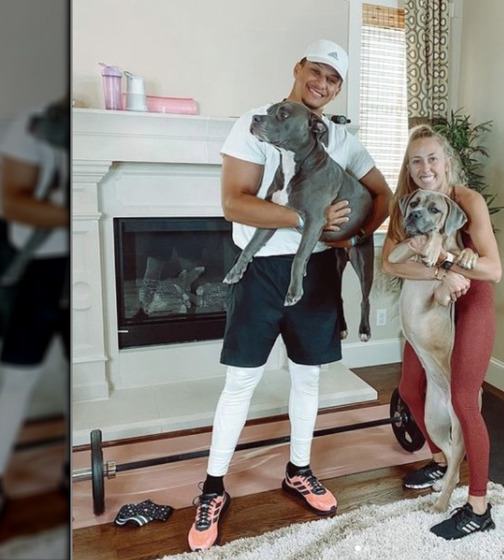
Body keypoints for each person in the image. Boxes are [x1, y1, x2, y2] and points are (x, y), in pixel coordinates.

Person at [186, 39, 392, 551]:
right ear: (298, 68)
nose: (322, 84)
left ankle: (299, 470)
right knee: (241, 382)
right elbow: (235, 203)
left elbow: (383, 195)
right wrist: (309, 217)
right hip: (259, 270)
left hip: (317, 271)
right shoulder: (256, 123)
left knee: (307, 379)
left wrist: (352, 237)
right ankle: (213, 487)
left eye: (334, 79)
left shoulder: (339, 137)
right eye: (316, 72)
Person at [381, 124, 502, 540]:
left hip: (473, 304)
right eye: (416, 161)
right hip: (436, 301)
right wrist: (442, 271)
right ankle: (440, 459)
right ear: (409, 168)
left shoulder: (467, 201)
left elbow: (493, 269)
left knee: (464, 399)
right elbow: (391, 264)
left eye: (432, 158)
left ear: (447, 161)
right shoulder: (409, 206)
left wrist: (450, 261)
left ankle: (479, 505)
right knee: (412, 390)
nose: (425, 167)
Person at [0, 97, 70, 551]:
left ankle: (71, 467)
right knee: (17, 380)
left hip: (79, 265)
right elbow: (14, 202)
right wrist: (75, 213)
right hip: (38, 269)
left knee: (73, 375)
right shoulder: (30, 124)